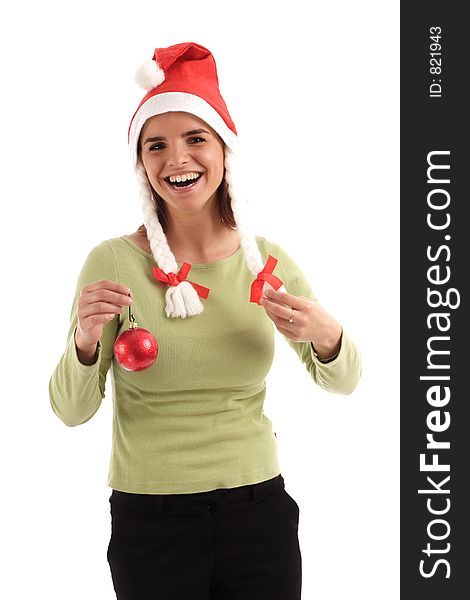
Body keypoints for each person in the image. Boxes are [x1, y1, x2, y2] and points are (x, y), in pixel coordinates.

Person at [49, 42, 361, 600]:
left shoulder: (265, 263)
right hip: (152, 521)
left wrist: (328, 336)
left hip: (259, 514)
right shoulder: (113, 263)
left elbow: (343, 380)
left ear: (223, 149)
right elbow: (72, 411)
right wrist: (85, 340)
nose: (178, 160)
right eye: (156, 145)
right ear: (141, 162)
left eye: (196, 138)